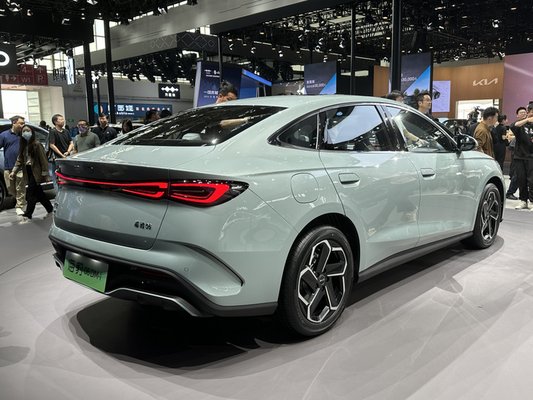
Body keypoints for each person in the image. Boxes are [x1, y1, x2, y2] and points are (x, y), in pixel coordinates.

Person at [9, 125, 54, 220]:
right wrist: (13, 171)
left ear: (32, 132)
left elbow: (43, 160)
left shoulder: (37, 144)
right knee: (39, 193)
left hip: (36, 171)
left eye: (28, 130)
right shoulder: (23, 145)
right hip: (28, 171)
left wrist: (45, 174)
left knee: (30, 193)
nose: (26, 133)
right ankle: (50, 208)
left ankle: (29, 213)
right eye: (24, 131)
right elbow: (20, 160)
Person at [0, 115, 27, 215]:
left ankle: (20, 206)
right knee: (10, 188)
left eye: (23, 123)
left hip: (20, 166)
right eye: (21, 123)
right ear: (14, 123)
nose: (23, 125)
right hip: (8, 166)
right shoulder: (4, 135)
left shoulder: (24, 135)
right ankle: (18, 199)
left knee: (20, 187)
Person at [510, 104, 533, 209]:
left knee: (531, 180)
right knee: (521, 179)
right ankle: (523, 200)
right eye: (531, 112)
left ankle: (532, 201)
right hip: (519, 156)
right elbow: (513, 126)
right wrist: (527, 119)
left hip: (531, 156)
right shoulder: (521, 124)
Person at [506, 106, 527, 200]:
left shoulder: (527, 124)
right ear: (517, 115)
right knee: (517, 173)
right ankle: (510, 192)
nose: (524, 114)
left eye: (525, 112)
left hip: (526, 152)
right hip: (517, 151)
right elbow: (509, 137)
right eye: (521, 112)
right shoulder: (515, 124)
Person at [48, 113, 73, 189]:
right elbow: (52, 145)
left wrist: (68, 152)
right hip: (57, 158)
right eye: (61, 119)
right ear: (55, 122)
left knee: (67, 176)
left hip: (67, 157)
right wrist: (61, 155)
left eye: (63, 119)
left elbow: (71, 142)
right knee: (56, 177)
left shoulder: (66, 131)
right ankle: (58, 193)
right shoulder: (53, 131)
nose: (63, 121)